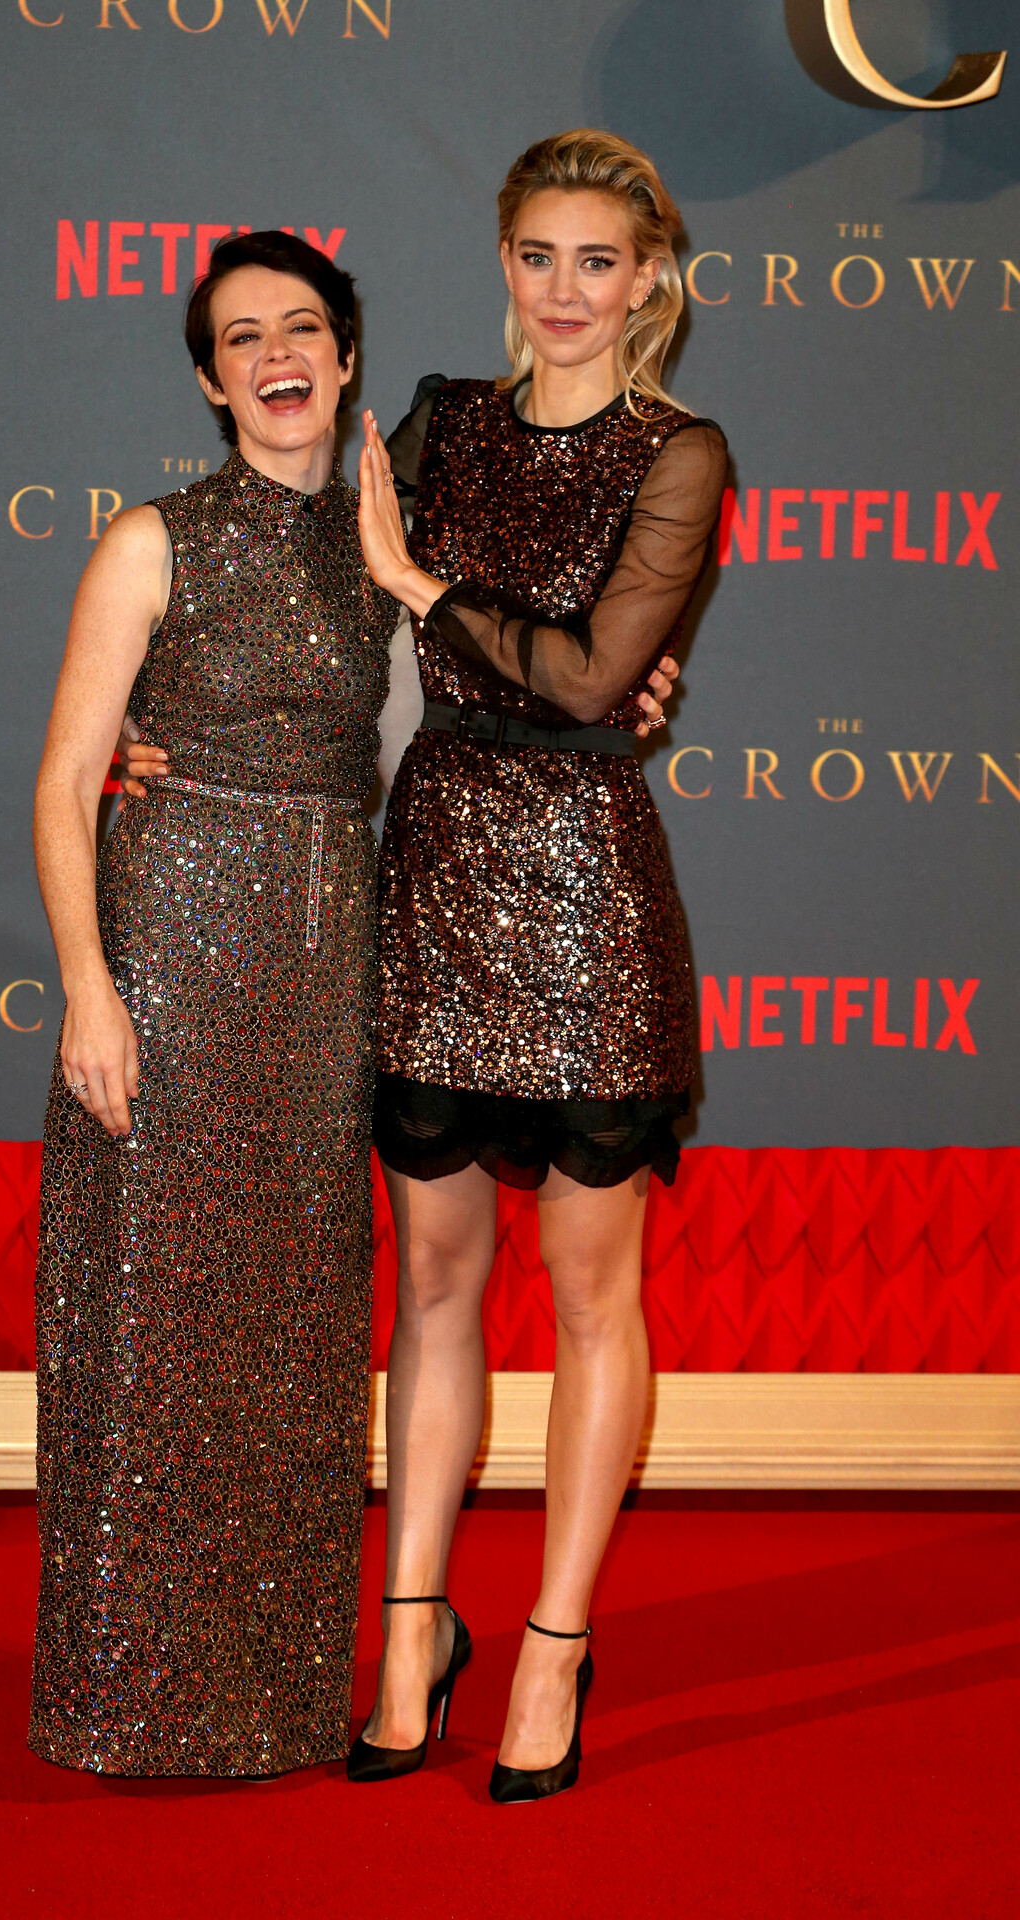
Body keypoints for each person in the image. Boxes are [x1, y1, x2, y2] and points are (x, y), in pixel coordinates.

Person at [350, 129, 728, 1802]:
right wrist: (162, 732)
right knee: (433, 1287)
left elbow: (586, 681)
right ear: (502, 261)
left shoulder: (680, 452)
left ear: (648, 280)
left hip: (586, 904)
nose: (564, 290)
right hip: (436, 886)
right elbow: (332, 627)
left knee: (590, 1296)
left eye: (598, 261)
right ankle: (411, 1631)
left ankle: (556, 1644)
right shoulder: (439, 423)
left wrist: (423, 584)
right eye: (536, 255)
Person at [27, 231, 402, 1777]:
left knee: (297, 1328)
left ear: (346, 357)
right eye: (241, 338)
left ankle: (282, 1696)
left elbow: (489, 701)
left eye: (300, 327)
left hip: (327, 972)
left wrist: (623, 687)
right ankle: (124, 1697)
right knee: (148, 1321)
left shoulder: (388, 546)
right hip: (170, 963)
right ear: (209, 380)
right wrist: (89, 991)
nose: (275, 356)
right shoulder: (151, 542)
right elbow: (66, 781)